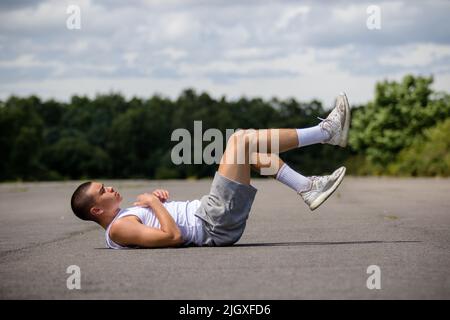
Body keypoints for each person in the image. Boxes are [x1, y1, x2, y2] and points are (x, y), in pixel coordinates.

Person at [70, 93, 351, 249]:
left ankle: (307, 187)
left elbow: (164, 226)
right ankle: (325, 132)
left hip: (212, 216)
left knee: (250, 152)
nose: (109, 188)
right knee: (240, 140)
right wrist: (153, 203)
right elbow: (173, 237)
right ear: (96, 210)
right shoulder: (118, 229)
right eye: (102, 191)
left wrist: (158, 203)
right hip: (212, 222)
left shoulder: (124, 218)